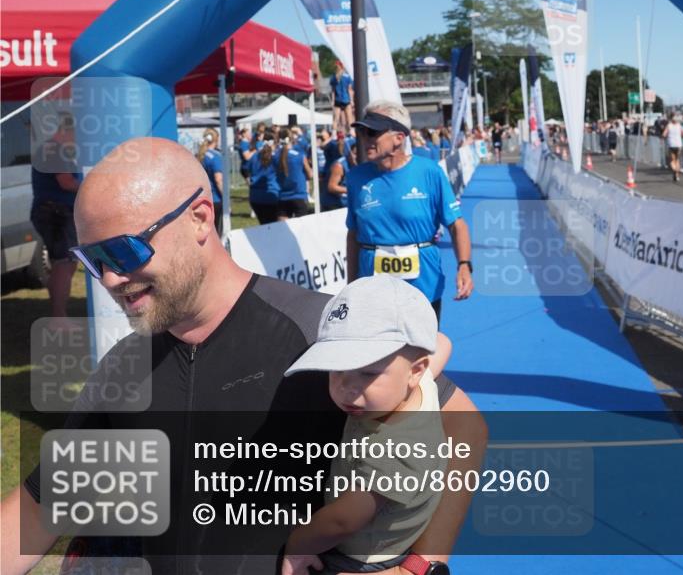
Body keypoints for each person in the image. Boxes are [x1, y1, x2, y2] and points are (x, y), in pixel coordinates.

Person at [1, 138, 486, 575]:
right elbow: (39, 508)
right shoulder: (125, 368)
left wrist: (422, 564)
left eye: (123, 252)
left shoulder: (321, 332)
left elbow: (464, 426)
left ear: (199, 219)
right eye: (93, 260)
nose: (108, 279)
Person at [282, 276, 446, 574]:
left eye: (367, 373)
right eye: (335, 370)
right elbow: (443, 345)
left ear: (415, 370)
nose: (346, 387)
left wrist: (298, 543)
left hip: (364, 557)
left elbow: (344, 521)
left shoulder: (393, 450)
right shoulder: (420, 383)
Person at [344, 101, 472, 371]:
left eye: (373, 133)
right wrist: (351, 285)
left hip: (422, 285)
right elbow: (353, 234)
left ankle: (424, 408)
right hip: (373, 287)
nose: (365, 139)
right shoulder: (356, 177)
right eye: (364, 132)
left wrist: (464, 265)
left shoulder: (429, 172)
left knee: (420, 360)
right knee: (377, 362)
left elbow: (457, 225)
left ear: (399, 138)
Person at [30, 112, 80, 317]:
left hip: (50, 211)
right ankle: (59, 317)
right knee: (64, 264)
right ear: (68, 130)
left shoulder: (51, 149)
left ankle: (57, 313)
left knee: (63, 263)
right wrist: (91, 188)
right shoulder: (56, 151)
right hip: (56, 212)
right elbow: (66, 182)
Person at [277, 127, 312, 220]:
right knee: (301, 231)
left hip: (282, 196)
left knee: (282, 232)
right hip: (299, 195)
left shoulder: (275, 156)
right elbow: (310, 175)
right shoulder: (299, 155)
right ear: (291, 139)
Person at [196, 127, 224, 235]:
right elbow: (218, 180)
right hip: (216, 199)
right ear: (216, 139)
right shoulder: (216, 157)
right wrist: (226, 198)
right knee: (217, 232)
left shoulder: (200, 155)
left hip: (203, 198)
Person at [248, 130, 281, 224]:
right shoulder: (276, 157)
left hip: (255, 197)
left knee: (263, 225)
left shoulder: (254, 156)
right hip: (271, 195)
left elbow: (249, 171)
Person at [332, 62, 355, 133]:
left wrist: (333, 101)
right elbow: (349, 89)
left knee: (336, 119)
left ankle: (334, 134)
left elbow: (333, 90)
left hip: (337, 100)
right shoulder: (347, 77)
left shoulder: (334, 77)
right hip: (346, 99)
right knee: (349, 118)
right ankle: (352, 132)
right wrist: (351, 101)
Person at [665, 114, 683, 182]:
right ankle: (677, 175)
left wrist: (664, 136)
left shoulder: (669, 125)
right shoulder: (679, 125)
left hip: (671, 144)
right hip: (679, 144)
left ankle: (675, 171)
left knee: (672, 160)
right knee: (677, 160)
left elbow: (664, 134)